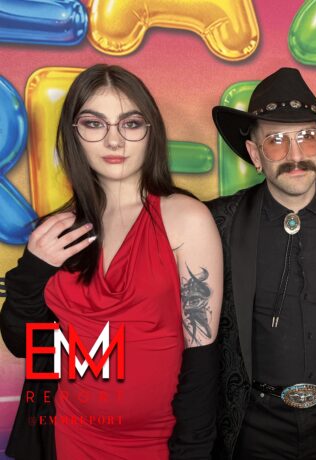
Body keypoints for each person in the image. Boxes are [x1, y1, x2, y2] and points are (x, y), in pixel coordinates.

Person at [0, 64, 222, 459]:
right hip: (69, 437)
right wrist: (35, 267)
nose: (114, 140)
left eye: (130, 123)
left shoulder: (186, 218)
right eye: (94, 123)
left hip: (157, 443)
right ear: (73, 133)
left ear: (150, 131)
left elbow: (201, 360)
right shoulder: (57, 231)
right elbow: (23, 344)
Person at [208, 67, 316, 460]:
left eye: (306, 137)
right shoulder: (219, 222)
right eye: (276, 141)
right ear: (254, 154)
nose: (295, 155)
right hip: (256, 427)